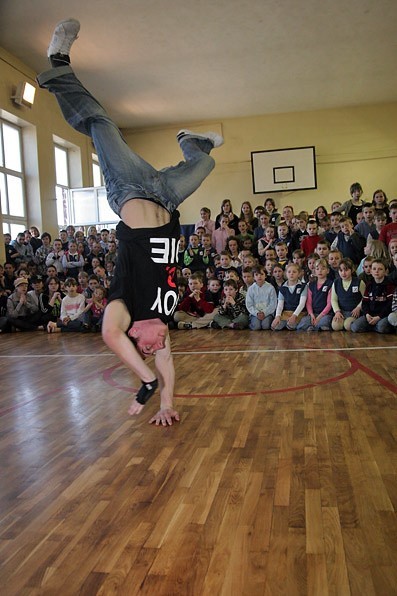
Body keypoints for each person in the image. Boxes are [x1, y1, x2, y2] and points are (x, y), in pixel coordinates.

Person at [38, 18, 223, 424]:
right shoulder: (166, 319)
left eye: (147, 350)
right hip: (167, 195)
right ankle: (192, 143)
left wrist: (146, 383)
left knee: (101, 124)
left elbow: (109, 335)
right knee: (207, 162)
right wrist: (168, 403)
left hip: (129, 189)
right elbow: (169, 365)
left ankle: (57, 63)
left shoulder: (126, 308)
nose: (156, 349)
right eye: (157, 352)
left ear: (136, 338)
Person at [350, 260, 394, 334]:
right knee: (355, 327)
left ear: (385, 271)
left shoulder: (390, 285)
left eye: (380, 269)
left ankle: (374, 326)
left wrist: (379, 317)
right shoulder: (369, 284)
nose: (376, 271)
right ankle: (373, 326)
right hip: (370, 315)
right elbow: (365, 302)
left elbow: (389, 305)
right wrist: (367, 314)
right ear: (371, 271)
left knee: (382, 327)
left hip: (382, 316)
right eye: (374, 269)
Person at [297, 259, 333, 331]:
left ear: (327, 271)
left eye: (323, 269)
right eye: (317, 269)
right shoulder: (311, 285)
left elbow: (330, 303)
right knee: (302, 324)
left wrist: (320, 316)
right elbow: (309, 302)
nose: (320, 271)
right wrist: (311, 314)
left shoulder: (330, 284)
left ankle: (314, 327)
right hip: (313, 313)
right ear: (314, 271)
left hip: (325, 314)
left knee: (323, 323)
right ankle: (313, 327)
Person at [331, 258, 365, 331]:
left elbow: (365, 297)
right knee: (335, 326)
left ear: (352, 270)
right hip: (342, 312)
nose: (343, 273)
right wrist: (337, 311)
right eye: (341, 270)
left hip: (354, 313)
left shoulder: (359, 282)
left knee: (348, 325)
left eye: (346, 270)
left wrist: (358, 307)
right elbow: (333, 299)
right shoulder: (336, 282)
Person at [271, 263, 307, 331]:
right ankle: (286, 323)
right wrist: (277, 316)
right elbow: (280, 305)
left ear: (299, 274)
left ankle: (292, 324)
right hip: (286, 312)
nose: (291, 274)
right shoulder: (282, 288)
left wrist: (294, 316)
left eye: (294, 272)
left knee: (291, 326)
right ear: (286, 274)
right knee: (275, 326)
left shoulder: (303, 286)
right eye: (289, 272)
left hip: (299, 313)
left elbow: (302, 304)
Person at [245, 265, 277, 330]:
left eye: (261, 274)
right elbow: (249, 304)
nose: (259, 276)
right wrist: (256, 313)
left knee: (266, 326)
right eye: (256, 275)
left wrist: (264, 313)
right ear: (253, 277)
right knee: (257, 327)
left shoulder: (270, 288)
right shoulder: (251, 289)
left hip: (268, 313)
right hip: (255, 314)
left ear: (265, 276)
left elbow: (273, 304)